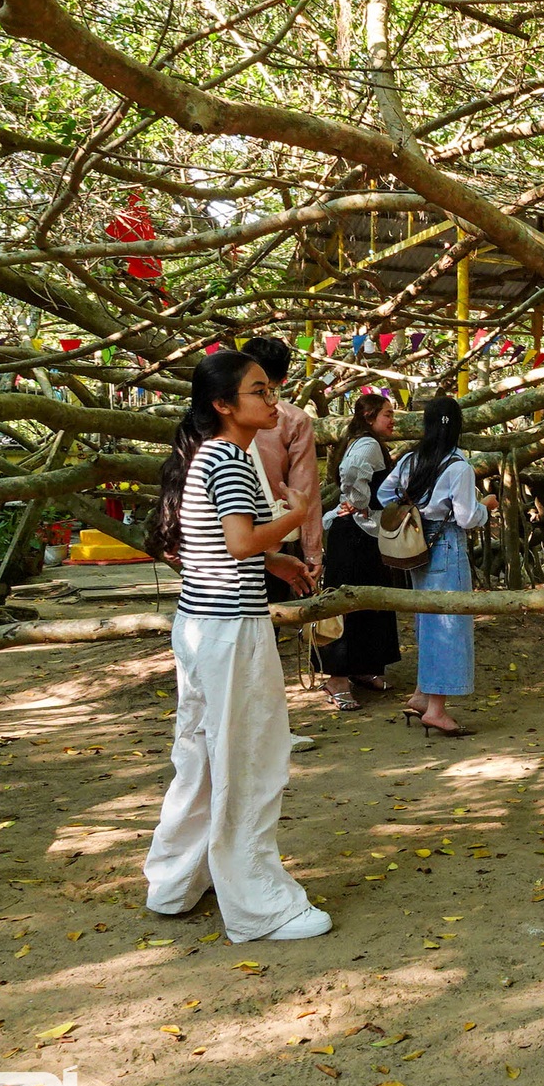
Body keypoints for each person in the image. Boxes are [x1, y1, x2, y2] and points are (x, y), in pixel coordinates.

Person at [140, 350, 332, 942]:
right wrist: (295, 518)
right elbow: (241, 540)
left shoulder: (214, 455)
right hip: (229, 631)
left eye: (272, 391)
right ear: (223, 405)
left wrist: (276, 560)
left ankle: (175, 882)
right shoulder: (226, 457)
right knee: (247, 759)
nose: (273, 402)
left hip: (203, 625)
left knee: (200, 755)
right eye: (260, 393)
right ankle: (259, 904)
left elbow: (223, 547)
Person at [375, 397, 498, 736]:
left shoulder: (411, 460)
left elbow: (385, 495)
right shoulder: (459, 466)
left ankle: (420, 695)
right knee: (449, 622)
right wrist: (486, 506)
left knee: (427, 619)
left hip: (416, 547)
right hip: (446, 545)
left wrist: (413, 510)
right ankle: (437, 710)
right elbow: (467, 517)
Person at [313, 393, 402, 709]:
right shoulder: (367, 445)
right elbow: (351, 472)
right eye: (387, 415)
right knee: (346, 602)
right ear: (369, 417)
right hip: (353, 534)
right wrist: (358, 502)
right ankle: (336, 678)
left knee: (372, 600)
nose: (392, 421)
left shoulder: (368, 443)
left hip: (365, 534)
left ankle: (364, 667)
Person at [240, 336, 321, 602]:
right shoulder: (292, 419)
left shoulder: (218, 413)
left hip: (217, 546)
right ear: (284, 377)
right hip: (273, 543)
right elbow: (303, 490)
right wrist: (312, 552)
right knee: (267, 625)